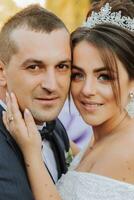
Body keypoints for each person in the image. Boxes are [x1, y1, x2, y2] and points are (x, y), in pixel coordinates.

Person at [3, 1, 134, 200]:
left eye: (104, 77)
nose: (87, 90)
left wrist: (32, 154)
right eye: (77, 74)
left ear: (132, 82)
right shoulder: (76, 136)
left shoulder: (128, 151)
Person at [0, 4, 81, 200]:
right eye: (34, 67)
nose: (51, 85)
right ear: (2, 73)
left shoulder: (54, 126)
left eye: (62, 66)